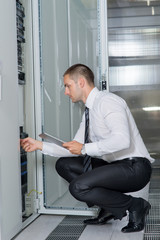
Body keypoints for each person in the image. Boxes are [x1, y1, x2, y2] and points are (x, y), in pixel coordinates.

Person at [21, 63, 154, 233]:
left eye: (68, 86)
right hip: (114, 166)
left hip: (135, 168)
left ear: (81, 82)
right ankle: (108, 208)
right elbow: (74, 147)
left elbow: (122, 140)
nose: (66, 92)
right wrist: (39, 145)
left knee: (77, 187)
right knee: (64, 165)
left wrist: (84, 148)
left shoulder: (108, 101)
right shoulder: (89, 111)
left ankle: (136, 205)